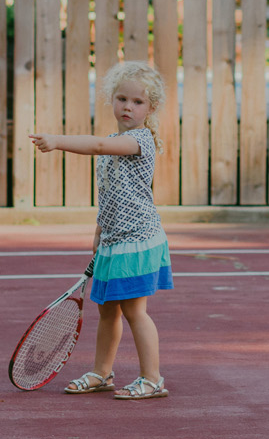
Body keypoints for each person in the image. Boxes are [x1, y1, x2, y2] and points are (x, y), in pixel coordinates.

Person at [31, 61, 174, 399]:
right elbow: (110, 193)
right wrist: (99, 233)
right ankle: (102, 373)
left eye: (138, 102)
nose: (128, 107)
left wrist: (57, 140)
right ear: (112, 100)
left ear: (151, 108)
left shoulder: (139, 140)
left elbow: (95, 146)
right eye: (122, 98)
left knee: (134, 311)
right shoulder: (116, 139)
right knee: (108, 311)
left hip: (137, 241)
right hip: (113, 240)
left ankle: (152, 379)